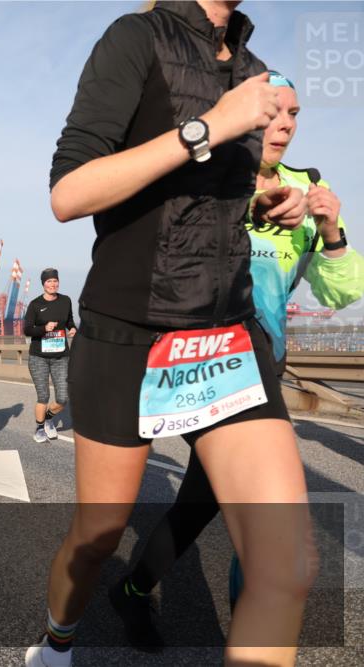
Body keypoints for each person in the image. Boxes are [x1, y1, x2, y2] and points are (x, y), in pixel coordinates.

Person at [25, 3, 317, 667]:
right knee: (98, 534)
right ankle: (57, 639)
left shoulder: (253, 69)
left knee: (285, 560)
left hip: (225, 336)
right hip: (130, 332)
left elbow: (204, 199)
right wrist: (209, 127)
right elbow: (69, 193)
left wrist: (263, 200)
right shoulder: (135, 38)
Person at [109, 69, 363, 652]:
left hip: (264, 367)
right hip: (202, 361)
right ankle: (251, 629)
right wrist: (250, 204)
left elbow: (337, 293)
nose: (283, 123)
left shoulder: (310, 184)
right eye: (272, 109)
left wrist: (330, 232)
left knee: (203, 502)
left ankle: (133, 590)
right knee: (268, 525)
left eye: (294, 113)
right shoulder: (211, 169)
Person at [23, 268, 77, 443]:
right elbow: (27, 329)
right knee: (43, 396)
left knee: (63, 398)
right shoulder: (35, 304)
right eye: (49, 281)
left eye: (55, 281)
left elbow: (69, 319)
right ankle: (39, 429)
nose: (52, 284)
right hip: (39, 357)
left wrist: (72, 328)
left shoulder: (66, 300)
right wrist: (43, 328)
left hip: (61, 356)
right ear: (43, 284)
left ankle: (48, 418)